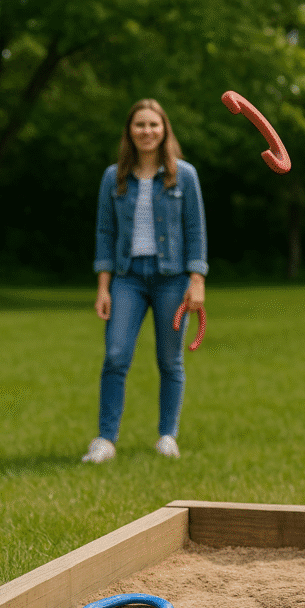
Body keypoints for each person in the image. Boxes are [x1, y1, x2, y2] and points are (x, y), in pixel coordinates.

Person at [83, 99, 208, 464]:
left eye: (154, 125)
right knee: (116, 355)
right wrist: (103, 287)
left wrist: (196, 280)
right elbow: (105, 233)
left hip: (172, 279)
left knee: (170, 360)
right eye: (139, 125)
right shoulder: (114, 177)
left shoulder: (184, 175)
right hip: (127, 278)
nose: (147, 131)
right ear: (130, 132)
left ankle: (167, 436)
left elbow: (195, 230)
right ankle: (105, 439)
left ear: (164, 130)